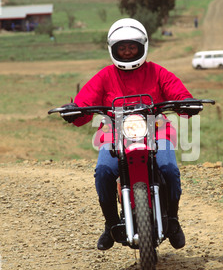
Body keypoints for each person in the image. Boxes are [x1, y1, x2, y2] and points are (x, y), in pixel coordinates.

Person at [62, 18, 193, 251]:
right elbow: (85, 101)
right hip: (115, 132)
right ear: (113, 49)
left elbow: (178, 92)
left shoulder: (157, 71)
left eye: (132, 47)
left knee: (169, 169)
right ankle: (111, 224)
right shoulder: (104, 76)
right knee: (103, 171)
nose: (127, 52)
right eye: (121, 48)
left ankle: (172, 219)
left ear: (142, 46)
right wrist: (75, 110)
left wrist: (187, 103)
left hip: (156, 128)